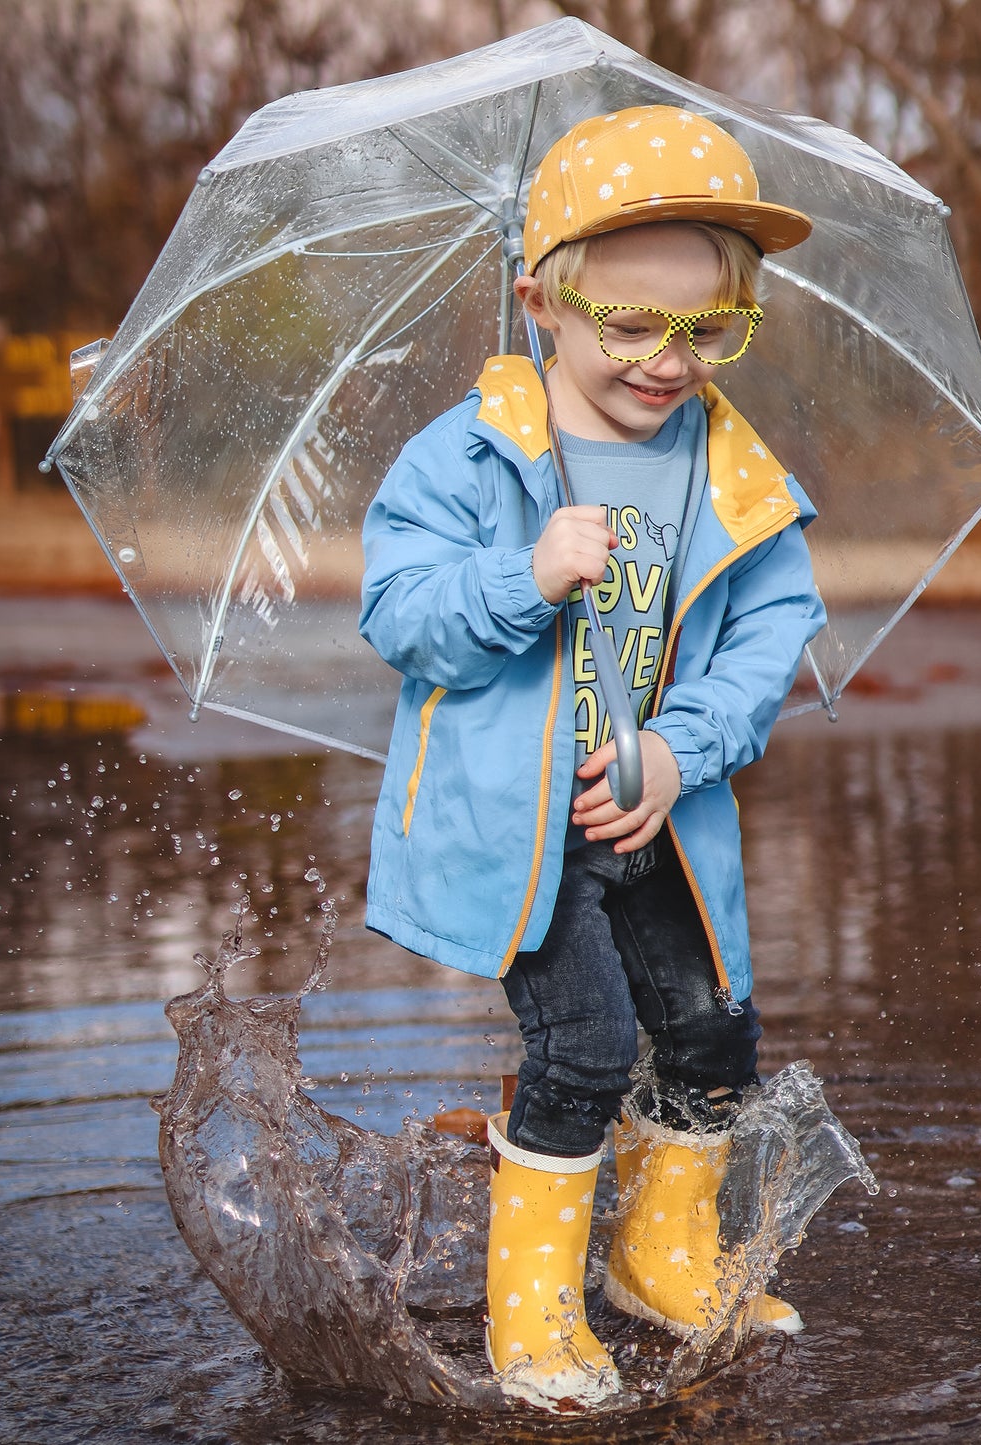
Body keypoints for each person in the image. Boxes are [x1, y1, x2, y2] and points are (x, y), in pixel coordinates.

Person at [359, 105, 824, 1411]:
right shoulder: (465, 460)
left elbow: (771, 630)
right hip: (526, 827)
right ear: (541, 302)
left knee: (713, 1032)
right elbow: (400, 614)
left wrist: (680, 751)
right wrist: (523, 574)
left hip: (658, 810)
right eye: (629, 324)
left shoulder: (736, 475)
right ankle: (534, 1316)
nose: (669, 362)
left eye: (707, 327)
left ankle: (661, 1260)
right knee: (582, 1044)